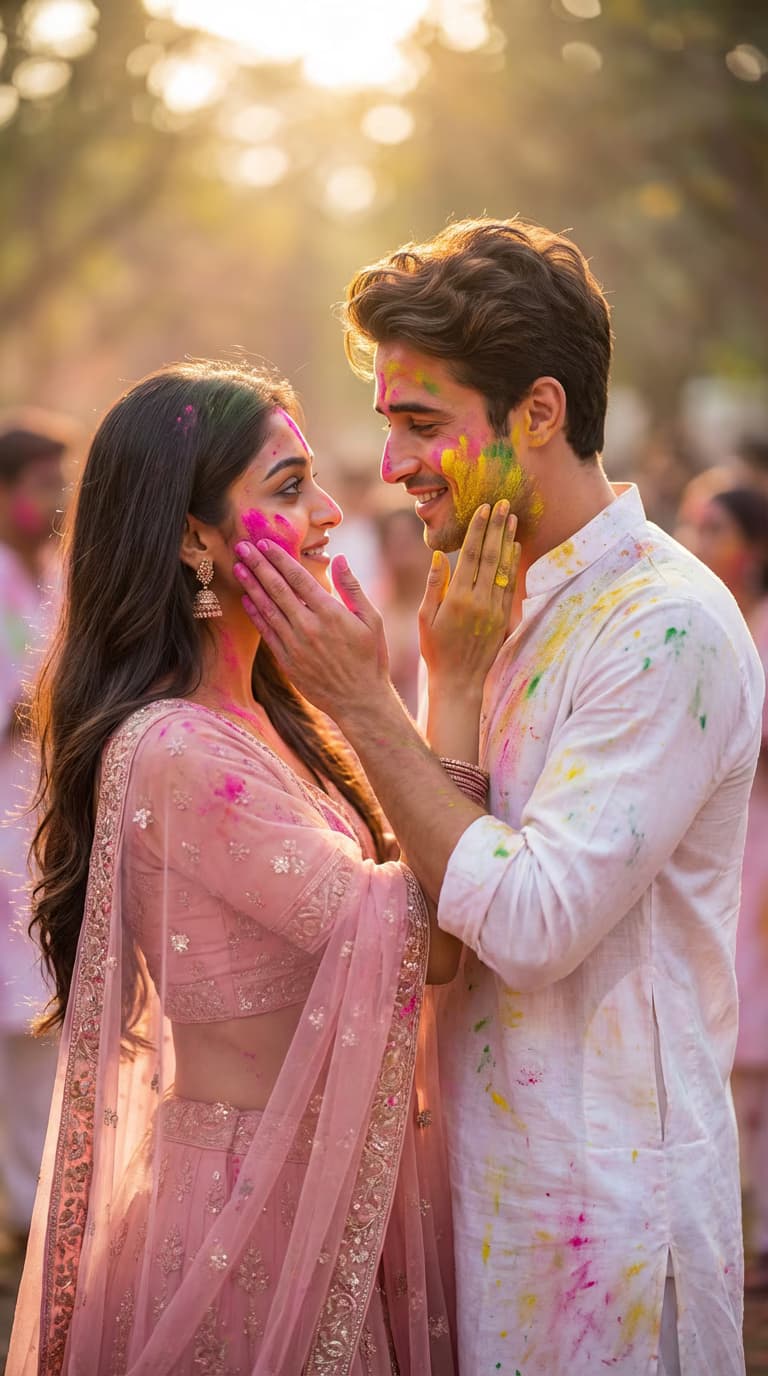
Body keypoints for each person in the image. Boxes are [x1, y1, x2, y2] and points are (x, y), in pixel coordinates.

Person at [232, 218, 764, 1376]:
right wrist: (445, 683)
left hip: (610, 1226)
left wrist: (363, 699)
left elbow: (529, 923)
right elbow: (437, 907)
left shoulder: (663, 625)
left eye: (424, 423)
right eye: (389, 424)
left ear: (539, 411)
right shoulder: (490, 599)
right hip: (480, 1191)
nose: (393, 464)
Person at [7, 360, 519, 1374]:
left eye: (315, 481)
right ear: (191, 538)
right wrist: (449, 685)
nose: (329, 514)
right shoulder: (179, 750)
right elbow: (439, 941)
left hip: (314, 1193)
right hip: (245, 1224)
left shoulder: (273, 721)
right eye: (289, 488)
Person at [679, 486, 768, 1290]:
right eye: (693, 524)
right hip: (722, 846)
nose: (698, 538)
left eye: (717, 527)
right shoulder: (692, 616)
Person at [0, 412, 70, 1254]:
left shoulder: (55, 578)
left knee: (34, 1012)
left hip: (42, 818)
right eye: (41, 484)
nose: (55, 500)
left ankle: (32, 1203)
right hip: (4, 812)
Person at [375, 508, 432, 715]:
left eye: (406, 544)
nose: (401, 556)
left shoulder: (449, 609)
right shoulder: (373, 610)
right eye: (393, 545)